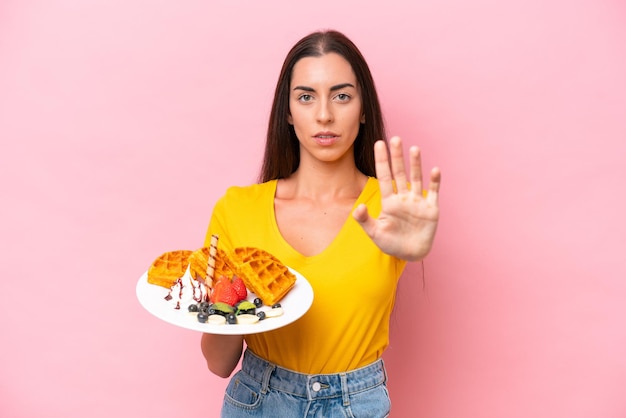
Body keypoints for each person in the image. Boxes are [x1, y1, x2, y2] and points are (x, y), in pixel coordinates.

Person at [200, 29, 441, 417]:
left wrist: (411, 252)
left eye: (342, 95)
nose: (324, 114)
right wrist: (227, 307)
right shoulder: (237, 210)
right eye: (306, 96)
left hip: (355, 404)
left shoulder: (393, 208)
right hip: (258, 402)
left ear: (363, 110)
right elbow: (219, 362)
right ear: (289, 113)